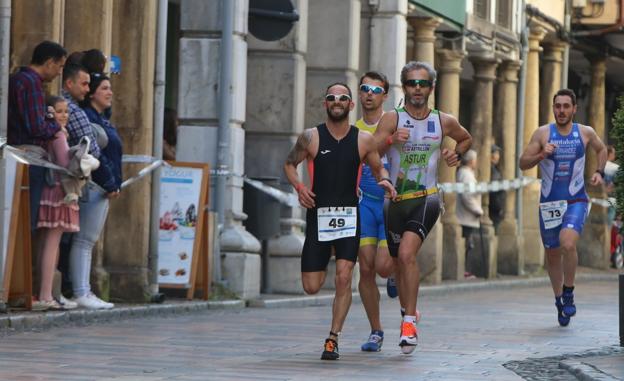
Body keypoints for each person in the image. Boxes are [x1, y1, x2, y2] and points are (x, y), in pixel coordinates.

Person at [283, 82, 395, 360]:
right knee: (311, 286)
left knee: (344, 277)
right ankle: (323, 268)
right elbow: (289, 164)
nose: (337, 101)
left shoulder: (363, 140)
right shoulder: (311, 137)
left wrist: (384, 181)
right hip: (318, 217)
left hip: (348, 216)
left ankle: (333, 338)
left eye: (342, 97)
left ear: (350, 104)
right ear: (325, 104)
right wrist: (299, 188)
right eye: (331, 97)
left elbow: (378, 166)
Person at [373, 61, 472, 354]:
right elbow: (372, 151)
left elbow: (466, 139)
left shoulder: (444, 121)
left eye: (423, 84)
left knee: (406, 255)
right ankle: (409, 309)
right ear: (404, 87)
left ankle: (408, 324)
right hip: (395, 201)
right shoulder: (392, 119)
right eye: (412, 84)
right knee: (395, 264)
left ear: (431, 88)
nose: (417, 89)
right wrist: (391, 139)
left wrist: (456, 155)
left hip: (427, 198)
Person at [519, 88, 607, 327]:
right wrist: (540, 155)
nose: (561, 111)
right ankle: (559, 300)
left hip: (576, 200)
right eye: (558, 106)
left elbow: (602, 150)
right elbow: (522, 163)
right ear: (553, 108)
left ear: (574, 109)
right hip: (549, 203)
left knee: (568, 242)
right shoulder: (543, 133)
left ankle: (569, 291)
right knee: (552, 254)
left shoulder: (585, 132)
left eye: (566, 106)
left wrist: (599, 172)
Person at [62, 66, 118, 309]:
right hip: (94, 182)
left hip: (100, 183)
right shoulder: (84, 114)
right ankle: (81, 291)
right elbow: (94, 150)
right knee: (83, 240)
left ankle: (82, 290)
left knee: (86, 240)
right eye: (104, 88)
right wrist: (109, 181)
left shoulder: (100, 117)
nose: (110, 92)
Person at [7, 40, 67, 231]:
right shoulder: (31, 83)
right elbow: (36, 127)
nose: (59, 72)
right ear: (49, 62)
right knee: (25, 222)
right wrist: (56, 126)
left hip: (15, 155)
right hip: (29, 157)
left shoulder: (18, 79)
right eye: (59, 66)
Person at [31, 96, 81, 311]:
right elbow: (64, 162)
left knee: (44, 242)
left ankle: (43, 292)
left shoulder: (47, 133)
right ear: (50, 113)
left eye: (66, 112)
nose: (64, 116)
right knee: (52, 244)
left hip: (46, 190)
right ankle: (46, 294)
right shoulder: (58, 133)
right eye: (59, 111)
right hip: (59, 192)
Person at [456, 149, 483, 278]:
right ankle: (465, 271)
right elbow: (467, 196)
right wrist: (478, 210)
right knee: (467, 245)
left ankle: (466, 270)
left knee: (468, 244)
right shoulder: (466, 175)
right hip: (466, 216)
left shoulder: (467, 173)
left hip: (468, 216)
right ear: (472, 161)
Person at [489, 144, 505, 233]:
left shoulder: (495, 169)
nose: (498, 156)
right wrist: (499, 207)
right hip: (494, 209)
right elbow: (494, 193)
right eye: (496, 153)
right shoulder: (492, 171)